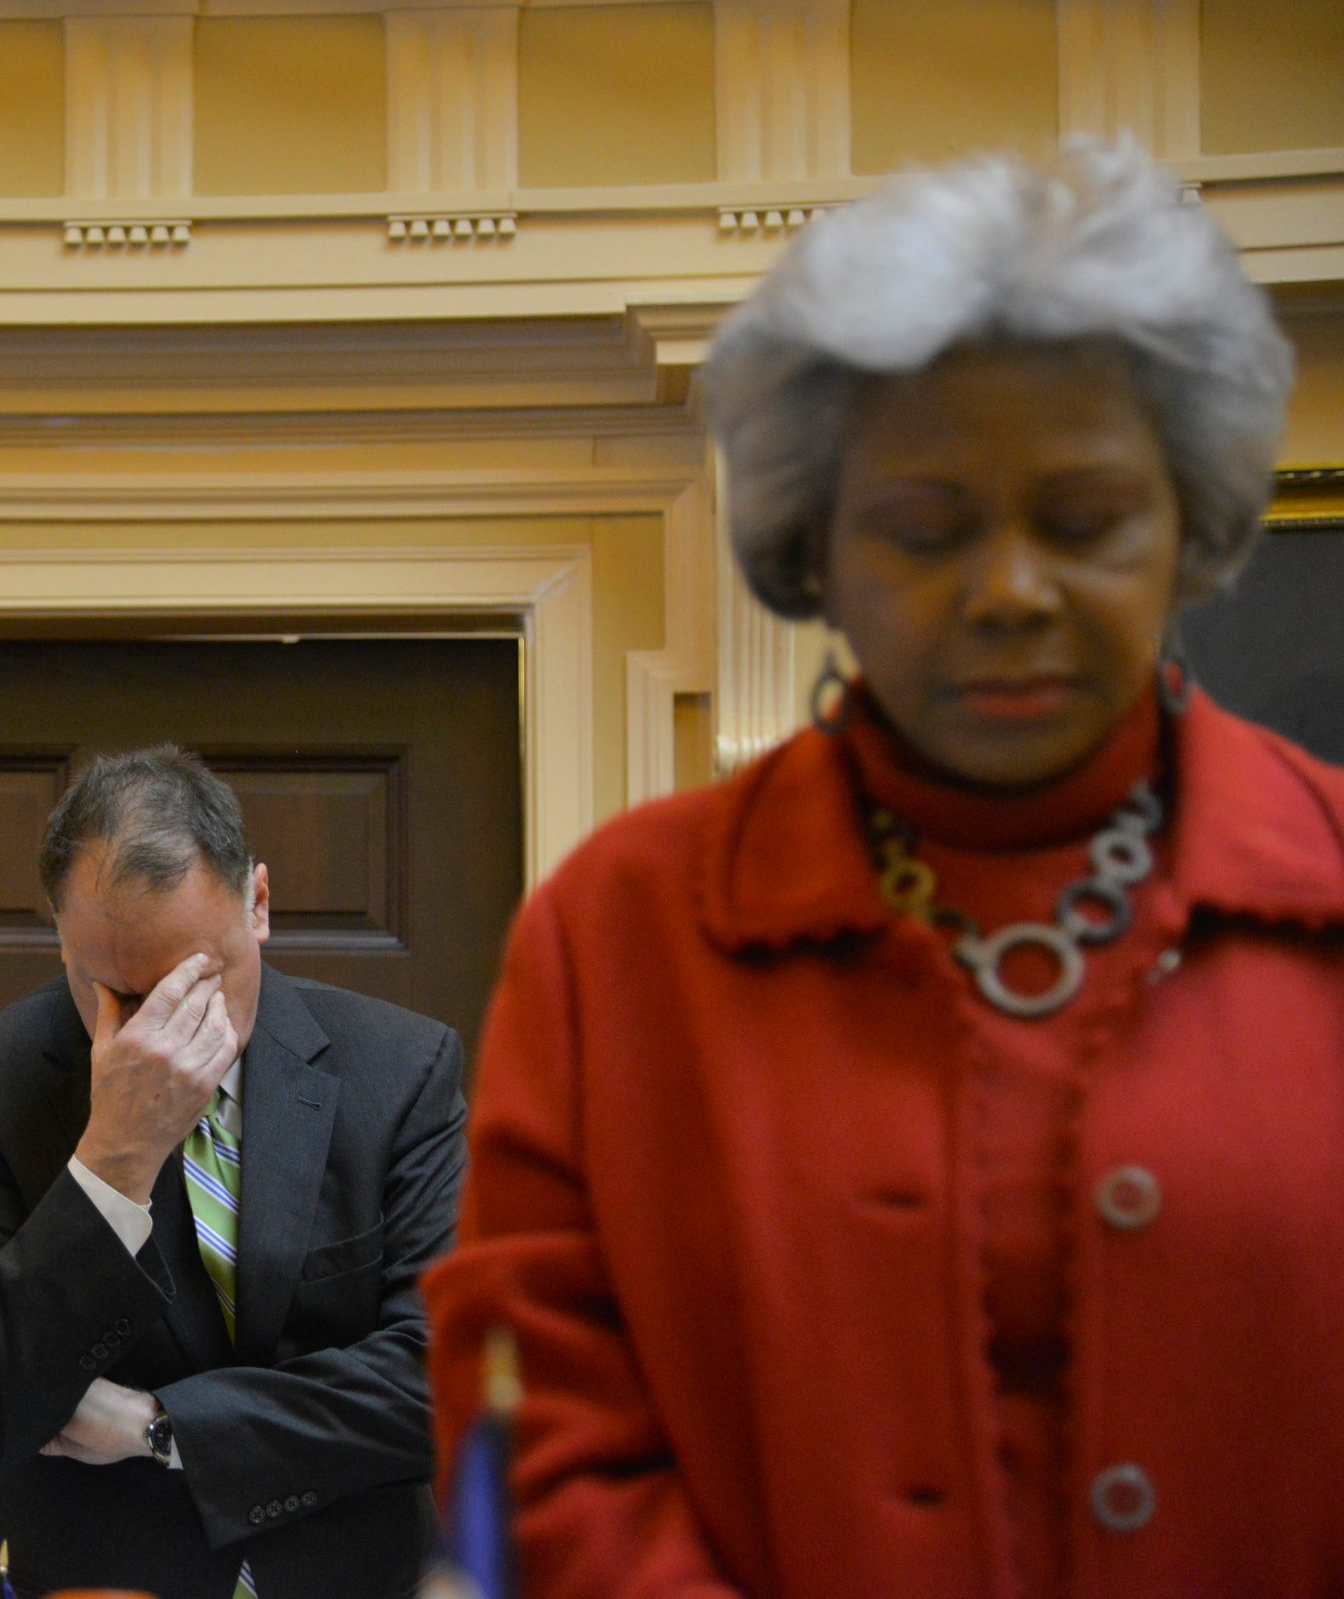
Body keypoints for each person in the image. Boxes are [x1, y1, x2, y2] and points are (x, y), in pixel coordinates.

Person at [421, 137, 1344, 1598]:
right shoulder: (622, 929)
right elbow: (541, 1435)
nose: (1011, 591)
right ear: (814, 553)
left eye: (1087, 520)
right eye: (923, 531)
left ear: (1195, 528)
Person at [0, 745, 467, 1599]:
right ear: (62, 941)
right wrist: (113, 1161)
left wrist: (165, 1429)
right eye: (118, 996)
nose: (162, 1030)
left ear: (260, 905)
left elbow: (441, 1379)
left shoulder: (399, 1069)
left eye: (196, 981)